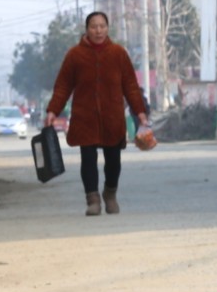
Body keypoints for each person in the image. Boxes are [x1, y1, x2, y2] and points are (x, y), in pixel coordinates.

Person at [46, 12, 151, 217]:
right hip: (85, 117)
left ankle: (110, 194)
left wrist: (140, 112)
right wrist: (53, 110)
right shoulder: (75, 55)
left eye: (102, 26)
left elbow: (130, 86)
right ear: (87, 29)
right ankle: (92, 199)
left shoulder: (118, 54)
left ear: (107, 28)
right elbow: (63, 87)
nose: (98, 30)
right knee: (88, 159)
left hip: (112, 116)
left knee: (113, 160)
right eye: (94, 26)